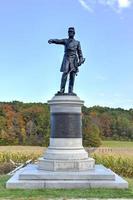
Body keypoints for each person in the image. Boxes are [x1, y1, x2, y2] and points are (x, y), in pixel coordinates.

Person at [48, 27, 85, 94]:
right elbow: (58, 41)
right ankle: (62, 90)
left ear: (74, 33)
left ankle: (70, 91)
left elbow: (80, 52)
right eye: (69, 32)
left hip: (74, 59)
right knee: (65, 73)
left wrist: (81, 59)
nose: (70, 33)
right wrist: (52, 40)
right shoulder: (65, 41)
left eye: (71, 32)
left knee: (72, 75)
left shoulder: (77, 42)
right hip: (66, 58)